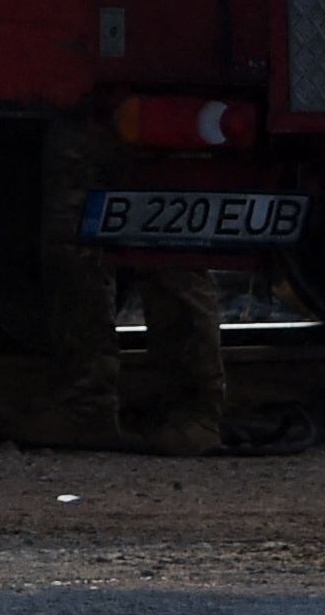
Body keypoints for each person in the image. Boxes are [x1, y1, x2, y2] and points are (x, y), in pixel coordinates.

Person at [31, 113, 230, 455]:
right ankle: (185, 412)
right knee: (162, 235)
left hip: (108, 91)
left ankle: (185, 411)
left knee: (163, 239)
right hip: (106, 91)